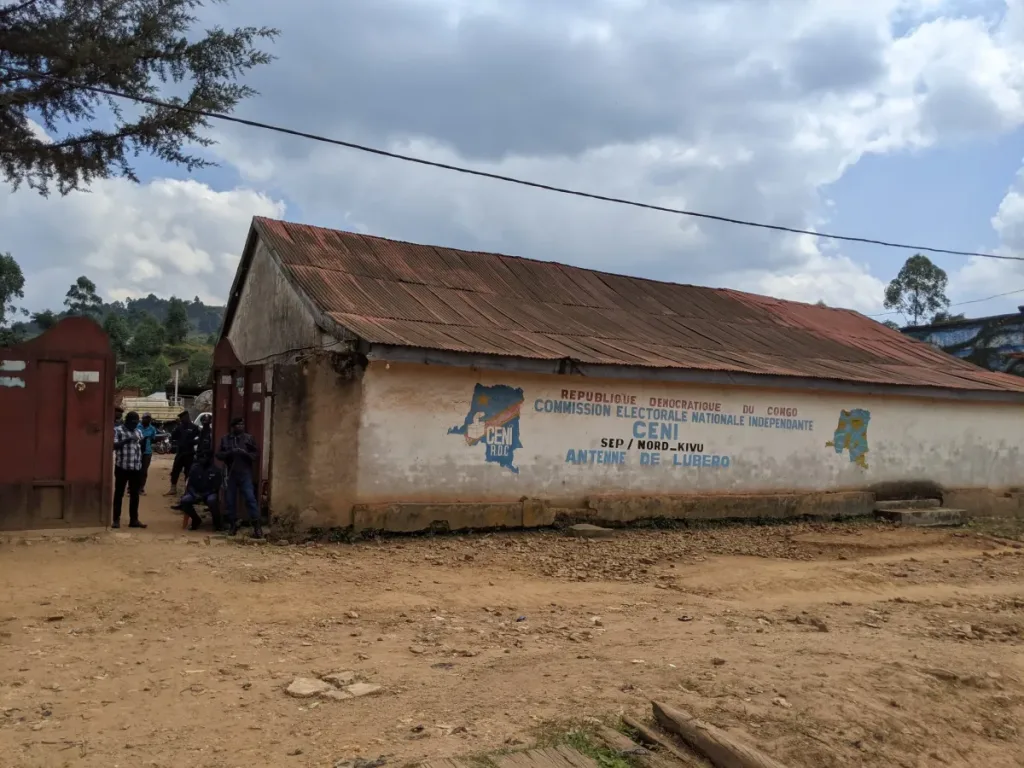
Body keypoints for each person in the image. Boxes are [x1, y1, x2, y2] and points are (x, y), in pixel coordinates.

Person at [216, 417, 262, 538]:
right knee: (230, 501)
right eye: (238, 424)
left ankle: (257, 527)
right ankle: (233, 525)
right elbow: (218, 454)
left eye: (242, 424)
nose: (241, 426)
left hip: (244, 473)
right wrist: (230, 453)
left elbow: (255, 454)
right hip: (231, 473)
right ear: (233, 426)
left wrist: (244, 453)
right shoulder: (225, 439)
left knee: (250, 499)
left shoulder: (248, 438)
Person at [112, 411, 148, 529]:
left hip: (135, 468)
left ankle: (134, 520)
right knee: (119, 494)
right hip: (122, 467)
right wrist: (127, 440)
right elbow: (114, 446)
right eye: (133, 422)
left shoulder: (138, 431)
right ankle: (116, 520)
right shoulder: (118, 430)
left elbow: (141, 444)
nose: (135, 425)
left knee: (135, 495)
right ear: (127, 421)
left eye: (136, 423)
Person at [177, 452, 224, 531]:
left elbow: (215, 488)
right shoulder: (195, 469)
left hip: (209, 494)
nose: (202, 459)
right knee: (184, 500)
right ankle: (196, 520)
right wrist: (194, 494)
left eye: (205, 457)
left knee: (212, 500)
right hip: (196, 493)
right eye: (201, 457)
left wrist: (204, 495)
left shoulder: (216, 470)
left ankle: (217, 524)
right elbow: (190, 485)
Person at [166, 411, 200, 496]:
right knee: (175, 471)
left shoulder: (194, 427)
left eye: (182, 418)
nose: (181, 420)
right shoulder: (179, 427)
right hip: (180, 453)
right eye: (180, 418)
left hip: (189, 453)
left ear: (187, 417)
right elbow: (173, 436)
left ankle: (187, 491)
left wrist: (193, 442)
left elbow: (200, 438)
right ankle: (173, 489)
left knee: (188, 472)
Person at [138, 412, 158, 495]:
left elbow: (153, 439)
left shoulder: (152, 429)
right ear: (142, 418)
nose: (147, 420)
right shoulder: (137, 427)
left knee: (144, 471)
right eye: (145, 418)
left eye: (149, 418)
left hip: (147, 452)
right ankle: (131, 488)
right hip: (137, 451)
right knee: (135, 470)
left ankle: (141, 488)